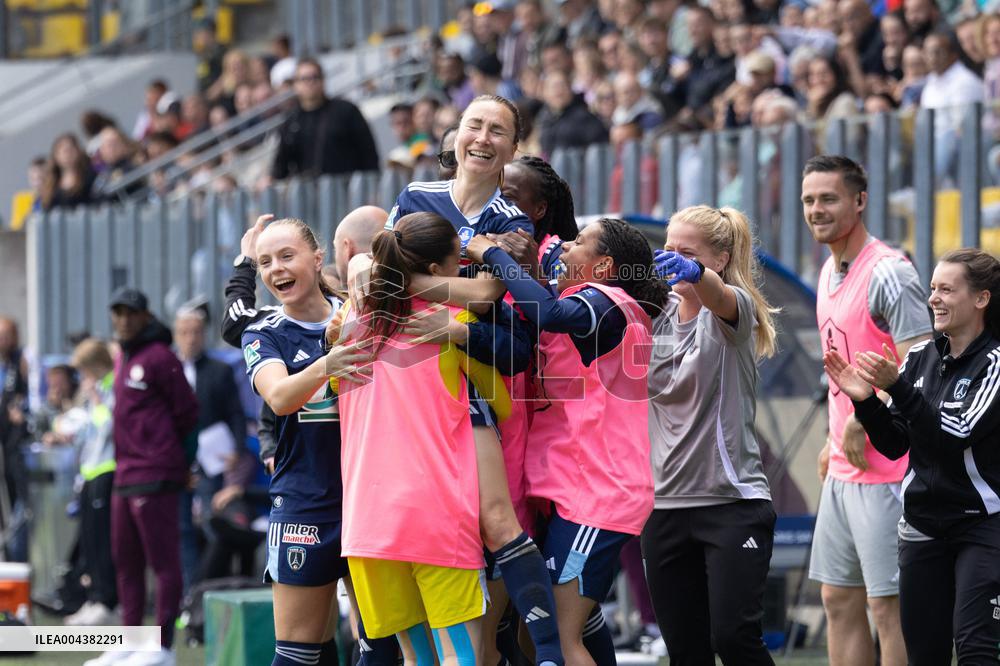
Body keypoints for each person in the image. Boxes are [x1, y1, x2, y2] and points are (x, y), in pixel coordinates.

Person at [385, 94, 565, 666]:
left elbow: (493, 296)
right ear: (454, 135)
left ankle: (528, 651)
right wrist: (455, 292)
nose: (483, 138)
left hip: (478, 383)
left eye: (498, 131)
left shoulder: (512, 223)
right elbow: (378, 275)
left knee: (491, 525)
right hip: (406, 385)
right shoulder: (417, 197)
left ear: (514, 148)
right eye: (474, 126)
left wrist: (416, 288)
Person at [467, 217, 667, 666]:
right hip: (573, 490)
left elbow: (549, 314)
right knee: (536, 632)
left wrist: (492, 254)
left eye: (578, 244)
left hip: (599, 495)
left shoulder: (608, 302)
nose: (566, 249)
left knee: (557, 633)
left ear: (602, 267)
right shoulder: (582, 300)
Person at [339, 212, 510, 665]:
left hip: (367, 522)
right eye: (457, 262)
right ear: (435, 271)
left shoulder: (349, 319)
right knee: (458, 658)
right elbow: (504, 405)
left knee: (415, 660)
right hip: (435, 518)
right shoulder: (451, 316)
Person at [824, 248, 1000, 663]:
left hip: (981, 525)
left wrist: (898, 388)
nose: (933, 298)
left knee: (976, 649)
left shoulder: (994, 362)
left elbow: (957, 434)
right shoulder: (920, 357)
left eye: (946, 289)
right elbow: (896, 444)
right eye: (932, 288)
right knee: (923, 654)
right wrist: (866, 402)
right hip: (921, 526)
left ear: (981, 299)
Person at [801, 155, 932, 666]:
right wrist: (831, 438)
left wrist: (866, 414)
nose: (817, 209)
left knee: (888, 609)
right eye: (810, 200)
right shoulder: (826, 272)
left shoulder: (890, 272)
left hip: (891, 472)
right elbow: (844, 367)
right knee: (837, 599)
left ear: (860, 200)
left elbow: (923, 363)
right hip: (844, 468)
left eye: (829, 198)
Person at [641, 205, 779, 665]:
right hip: (664, 509)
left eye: (687, 252)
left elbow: (718, 297)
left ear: (718, 259)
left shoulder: (733, 310)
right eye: (668, 249)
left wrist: (697, 275)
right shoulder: (656, 314)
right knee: (686, 651)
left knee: (735, 638)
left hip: (732, 504)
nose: (672, 258)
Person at [241, 217, 372, 666]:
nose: (275, 269)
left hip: (371, 499)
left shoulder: (358, 311)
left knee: (381, 648)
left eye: (286, 256)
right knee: (300, 653)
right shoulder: (264, 333)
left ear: (318, 260)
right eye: (264, 262)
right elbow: (278, 397)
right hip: (307, 504)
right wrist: (328, 363)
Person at [84, 288, 199, 666]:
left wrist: (181, 464)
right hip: (125, 474)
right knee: (126, 560)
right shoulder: (123, 358)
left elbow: (187, 413)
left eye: (131, 313)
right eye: (117, 313)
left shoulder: (161, 358)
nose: (123, 320)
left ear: (147, 316)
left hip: (157, 475)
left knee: (163, 563)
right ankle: (131, 639)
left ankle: (163, 647)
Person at [173, 306, 246, 593]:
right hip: (178, 462)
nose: (190, 338)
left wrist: (237, 450)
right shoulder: (168, 370)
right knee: (182, 529)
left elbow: (236, 413)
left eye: (195, 332)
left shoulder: (220, 371)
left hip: (212, 461)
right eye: (184, 332)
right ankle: (190, 594)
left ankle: (213, 589)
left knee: (213, 525)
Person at [64, 338, 119, 627]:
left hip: (106, 471)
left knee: (102, 540)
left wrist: (96, 402)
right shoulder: (95, 389)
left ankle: (107, 599)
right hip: (89, 472)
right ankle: (95, 596)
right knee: (88, 540)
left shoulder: (113, 385)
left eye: (84, 370)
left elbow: (109, 424)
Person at [270, 58, 380, 181]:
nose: (310, 83)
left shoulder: (346, 111)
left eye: (315, 77)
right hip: (311, 193)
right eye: (304, 79)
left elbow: (368, 153)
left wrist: (372, 185)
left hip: (351, 189)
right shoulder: (291, 122)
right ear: (295, 85)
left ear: (323, 81)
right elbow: (281, 165)